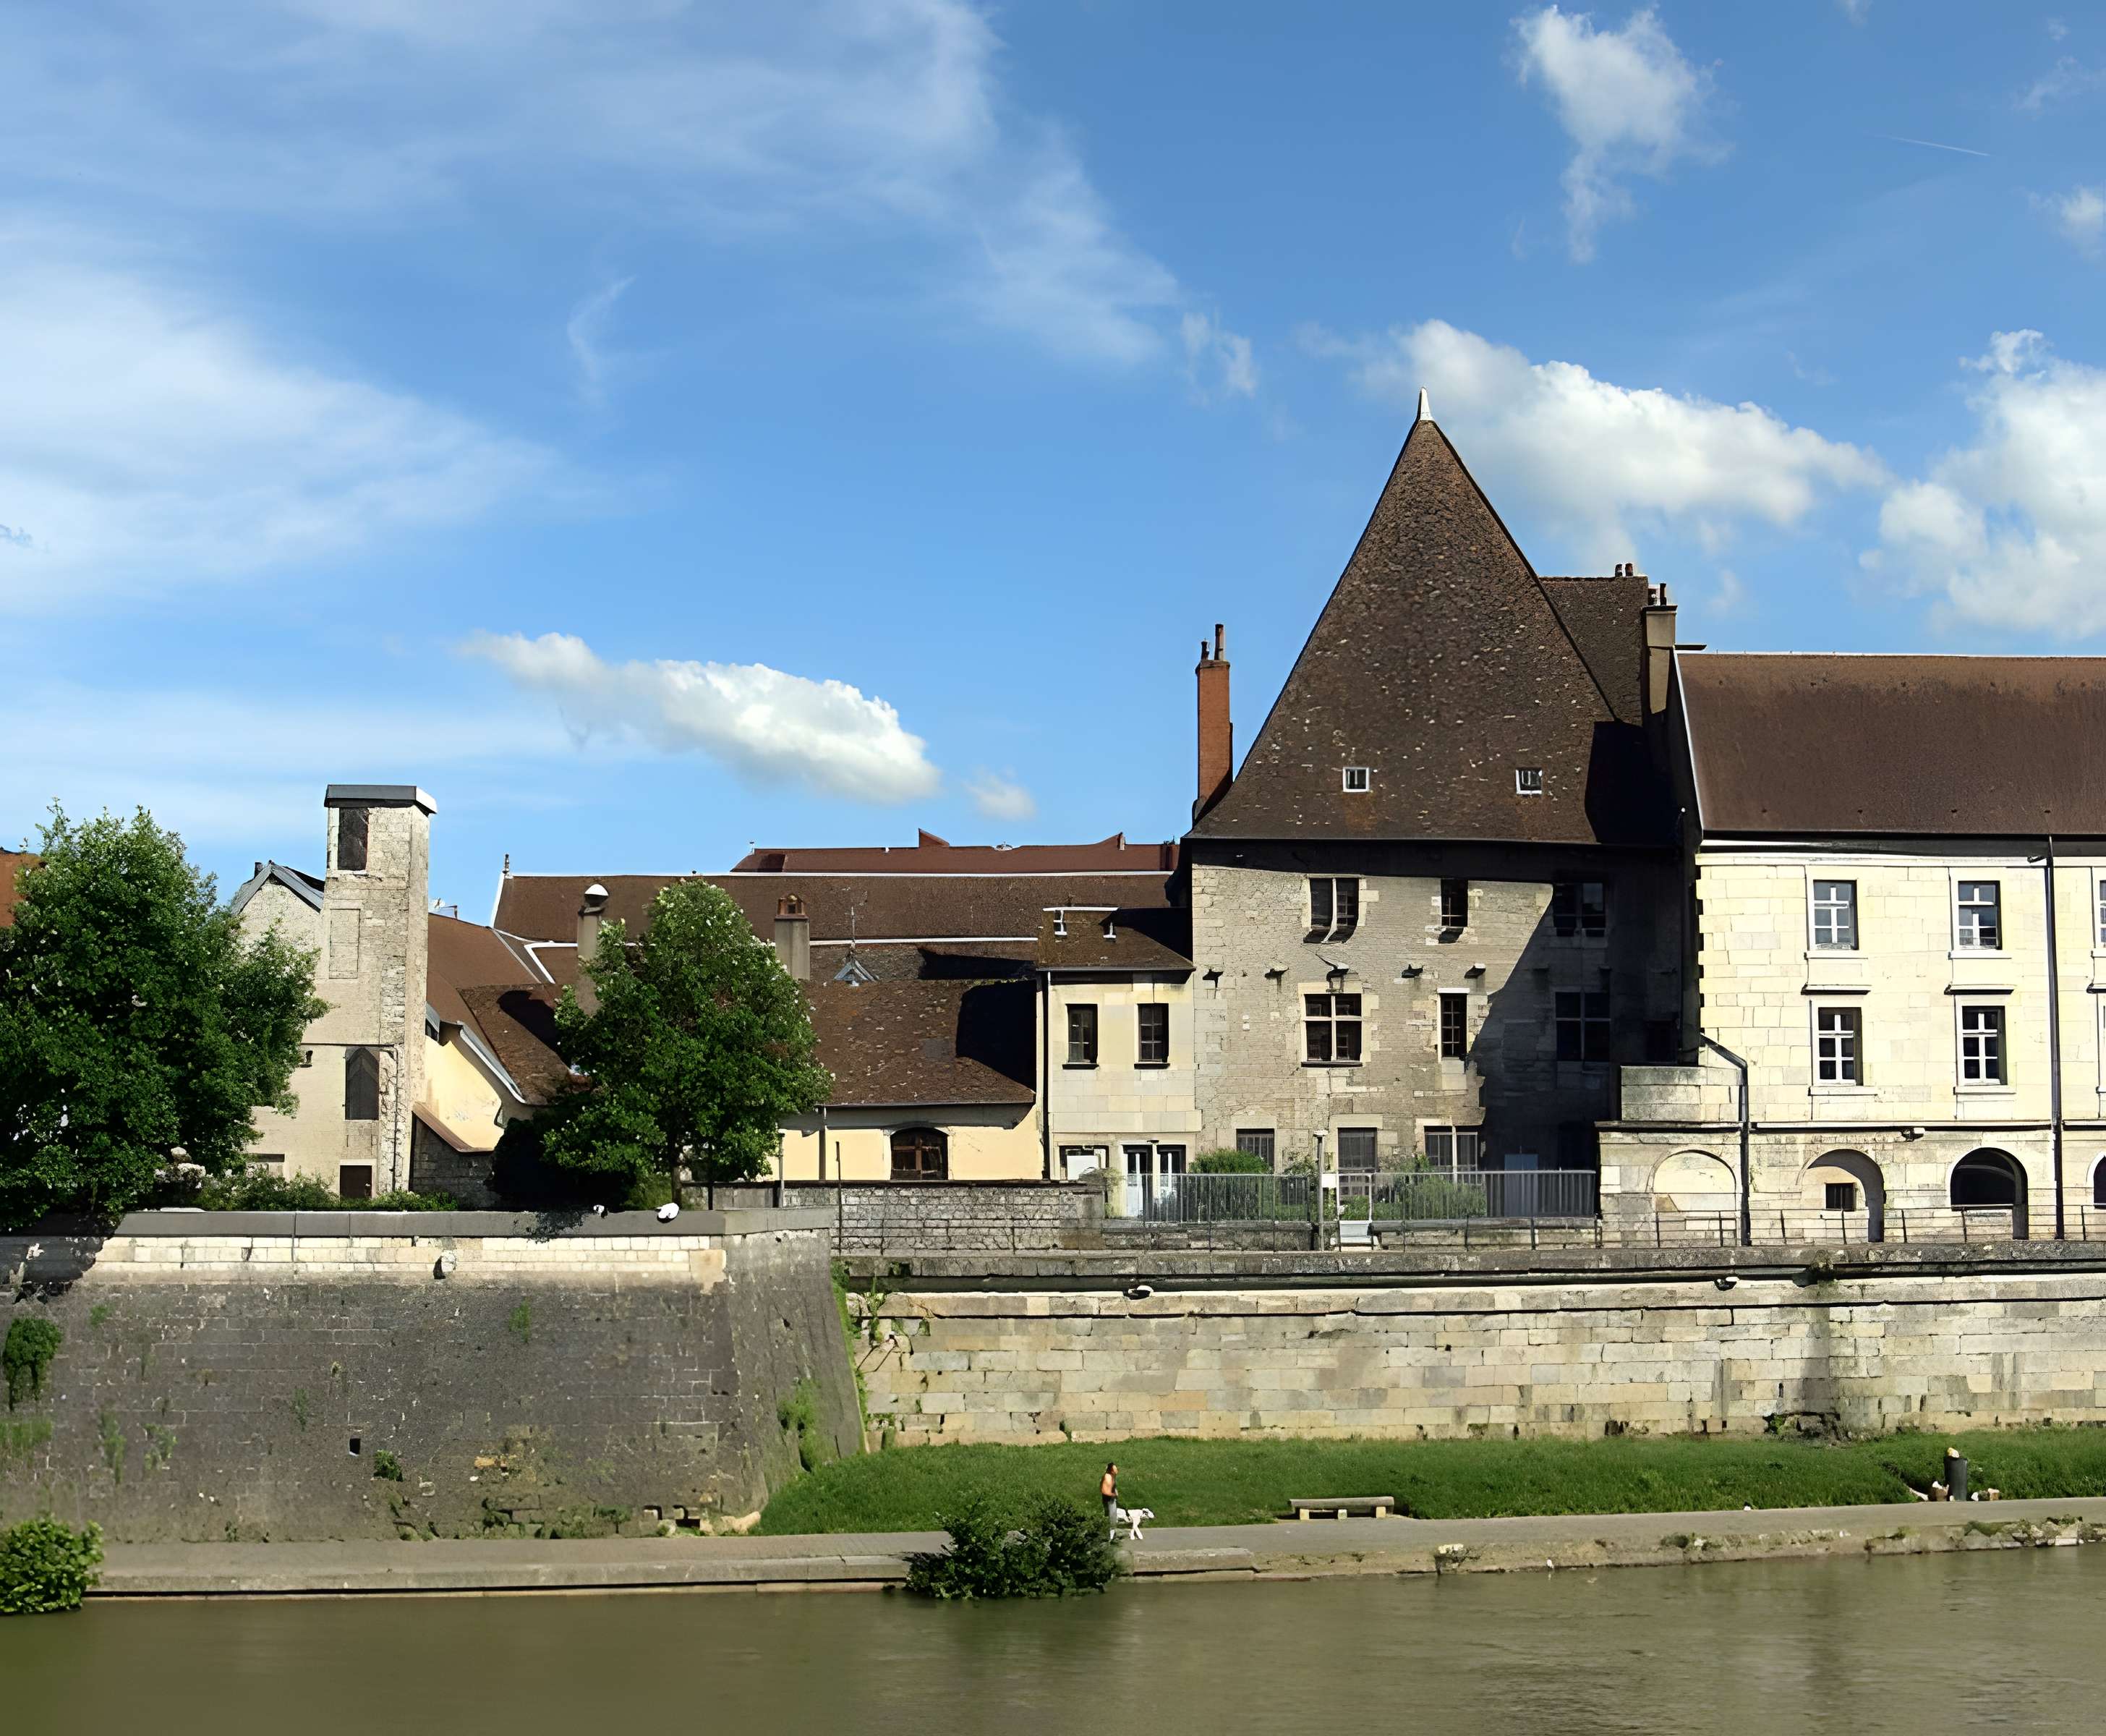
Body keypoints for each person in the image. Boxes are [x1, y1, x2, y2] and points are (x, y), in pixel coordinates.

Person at [1101, 1462, 1119, 1532]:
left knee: (1112, 1514)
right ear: (1111, 1471)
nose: (1117, 1470)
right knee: (1112, 1515)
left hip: (1111, 1498)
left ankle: (1111, 1529)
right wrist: (1113, 1495)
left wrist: (1115, 1491)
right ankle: (1112, 1531)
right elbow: (1105, 1491)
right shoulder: (1108, 1478)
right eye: (1115, 1469)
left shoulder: (1112, 1476)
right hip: (1109, 1499)